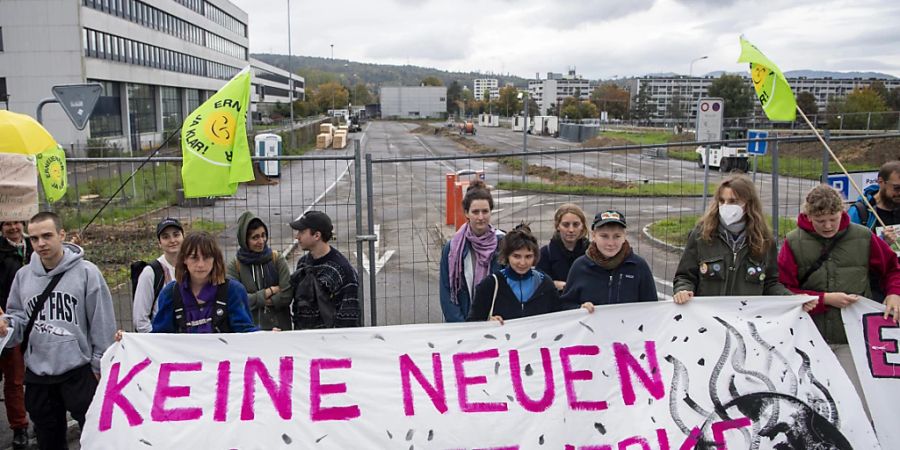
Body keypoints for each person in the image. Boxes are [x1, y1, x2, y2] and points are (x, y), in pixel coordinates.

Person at [778, 185, 900, 414]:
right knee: (813, 402)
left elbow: (893, 269)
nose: (827, 226)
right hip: (810, 337)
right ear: (808, 216)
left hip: (853, 338)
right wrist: (824, 299)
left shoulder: (863, 236)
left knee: (859, 402)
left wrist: (894, 294)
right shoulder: (793, 242)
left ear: (841, 213)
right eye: (820, 220)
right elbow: (781, 289)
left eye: (832, 219)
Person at [0, 212, 116, 450]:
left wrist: (98, 366)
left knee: (95, 438)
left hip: (78, 371)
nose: (40, 243)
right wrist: (7, 327)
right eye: (33, 238)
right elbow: (19, 319)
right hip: (38, 375)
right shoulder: (23, 276)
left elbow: (101, 322)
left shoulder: (87, 272)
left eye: (46, 236)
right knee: (48, 440)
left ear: (61, 235)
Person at [673, 174, 791, 303]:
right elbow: (685, 276)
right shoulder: (701, 235)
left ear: (748, 204)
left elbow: (770, 283)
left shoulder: (765, 241)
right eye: (722, 201)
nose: (726, 206)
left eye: (733, 201)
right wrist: (683, 290)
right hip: (708, 318)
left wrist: (792, 299)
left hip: (744, 317)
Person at [151, 232, 258, 333]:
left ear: (215, 259)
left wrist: (268, 337)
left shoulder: (233, 290)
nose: (201, 264)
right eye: (194, 258)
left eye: (206, 257)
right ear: (184, 259)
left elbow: (245, 333)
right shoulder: (170, 293)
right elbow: (160, 338)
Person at [560, 210, 657, 306]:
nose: (610, 243)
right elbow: (565, 305)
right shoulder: (580, 266)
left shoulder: (638, 266)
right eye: (604, 236)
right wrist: (580, 308)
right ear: (594, 236)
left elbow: (651, 307)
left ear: (624, 236)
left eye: (617, 236)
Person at [467, 224, 562, 323]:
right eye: (516, 256)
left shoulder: (545, 283)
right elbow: (473, 323)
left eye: (528, 256)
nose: (522, 262)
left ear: (535, 257)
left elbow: (558, 320)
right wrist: (488, 322)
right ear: (507, 256)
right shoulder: (490, 285)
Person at [440, 180, 504, 322]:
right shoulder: (452, 248)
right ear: (466, 213)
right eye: (475, 212)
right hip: (463, 326)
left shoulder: (503, 244)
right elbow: (446, 292)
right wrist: (462, 326)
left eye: (485, 211)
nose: (481, 217)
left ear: (491, 212)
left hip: (495, 324)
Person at [290, 211, 361, 328]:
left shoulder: (341, 270)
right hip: (303, 339)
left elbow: (349, 317)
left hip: (330, 342)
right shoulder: (303, 263)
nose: (297, 236)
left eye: (302, 232)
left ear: (317, 235)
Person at [229, 212, 293, 331]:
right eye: (255, 237)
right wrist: (270, 291)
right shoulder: (235, 265)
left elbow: (286, 295)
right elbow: (237, 300)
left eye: (263, 235)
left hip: (279, 329)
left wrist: (255, 300)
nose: (261, 241)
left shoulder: (276, 259)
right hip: (250, 331)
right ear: (244, 240)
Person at [0, 221, 31, 449]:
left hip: (32, 323)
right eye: (7, 224)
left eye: (16, 223)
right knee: (12, 379)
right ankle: (19, 426)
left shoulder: (34, 246)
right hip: (4, 325)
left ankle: (22, 427)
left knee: (18, 379)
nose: (12, 227)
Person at [132, 217, 184, 333]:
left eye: (176, 235)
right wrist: (155, 341)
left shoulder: (193, 267)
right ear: (159, 243)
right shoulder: (151, 272)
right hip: (161, 341)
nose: (172, 240)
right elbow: (140, 319)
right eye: (165, 237)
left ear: (183, 237)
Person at [537, 203, 590, 291]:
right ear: (558, 226)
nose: (571, 230)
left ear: (582, 226)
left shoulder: (592, 251)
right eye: (566, 225)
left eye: (576, 224)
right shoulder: (545, 254)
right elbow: (538, 283)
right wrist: (553, 284)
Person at [847, 160, 900, 246]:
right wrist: (882, 243)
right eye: (897, 188)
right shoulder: (860, 212)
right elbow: (849, 248)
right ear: (880, 182)